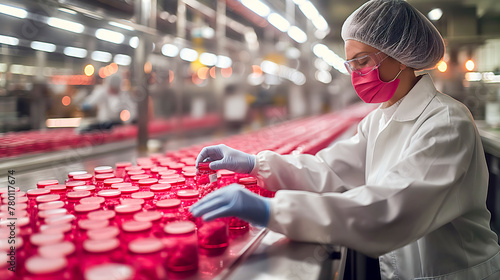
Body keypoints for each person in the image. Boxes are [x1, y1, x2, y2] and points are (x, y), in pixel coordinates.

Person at [189, 0, 500, 279]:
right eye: (350, 64)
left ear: (400, 57)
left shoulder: (445, 123)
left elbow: (390, 211)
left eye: (362, 62)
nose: (355, 74)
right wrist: (256, 164)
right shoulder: (380, 118)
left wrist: (273, 211)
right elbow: (331, 170)